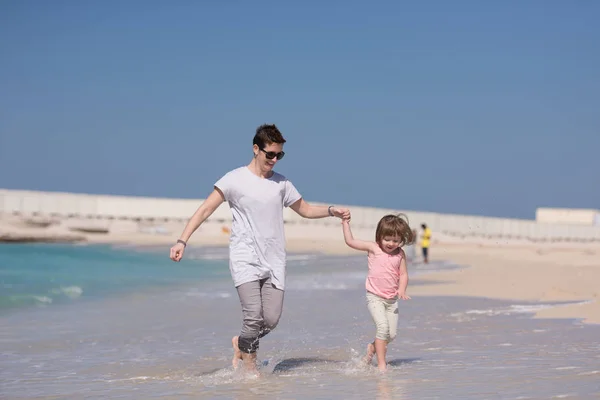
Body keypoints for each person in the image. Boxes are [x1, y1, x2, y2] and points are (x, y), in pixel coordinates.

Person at [169, 124, 350, 374]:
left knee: (271, 320)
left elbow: (305, 210)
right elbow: (205, 209)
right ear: (256, 149)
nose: (274, 160)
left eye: (279, 155)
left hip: (274, 260)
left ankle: (242, 343)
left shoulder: (282, 184)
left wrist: (331, 211)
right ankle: (251, 371)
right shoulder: (234, 179)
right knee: (253, 316)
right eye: (270, 154)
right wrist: (182, 240)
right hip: (245, 257)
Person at [341, 214, 414, 372]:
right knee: (382, 328)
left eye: (395, 240)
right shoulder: (373, 248)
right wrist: (345, 223)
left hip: (392, 300)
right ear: (380, 236)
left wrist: (402, 289)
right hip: (375, 297)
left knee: (391, 335)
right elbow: (351, 241)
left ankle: (371, 349)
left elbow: (403, 274)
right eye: (387, 239)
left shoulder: (400, 254)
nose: (391, 243)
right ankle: (382, 365)